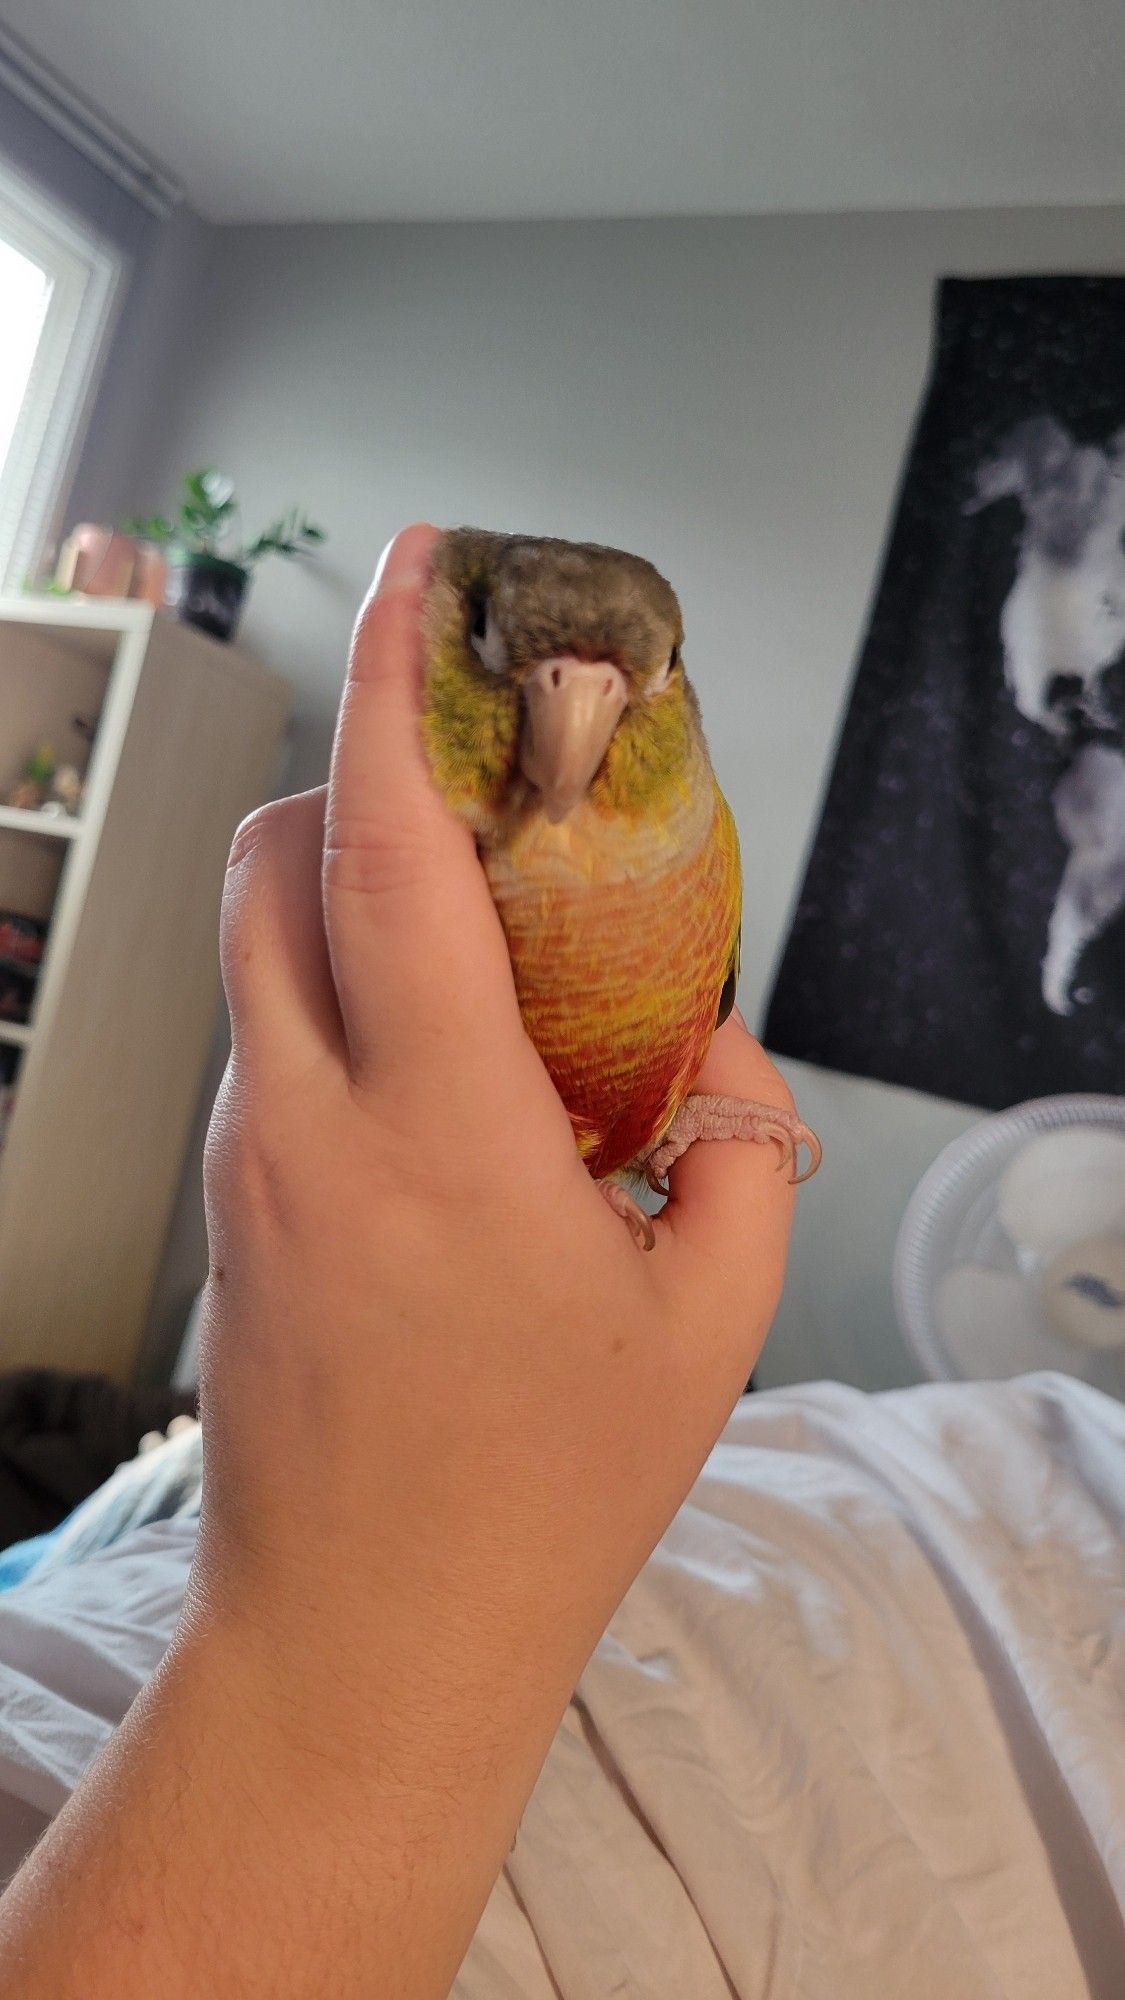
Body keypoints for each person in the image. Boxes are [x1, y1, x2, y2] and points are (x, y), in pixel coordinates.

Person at [0, 523, 795, 1998]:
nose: (570, 720)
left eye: (640, 679)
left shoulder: (699, 851)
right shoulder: (417, 862)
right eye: (507, 657)